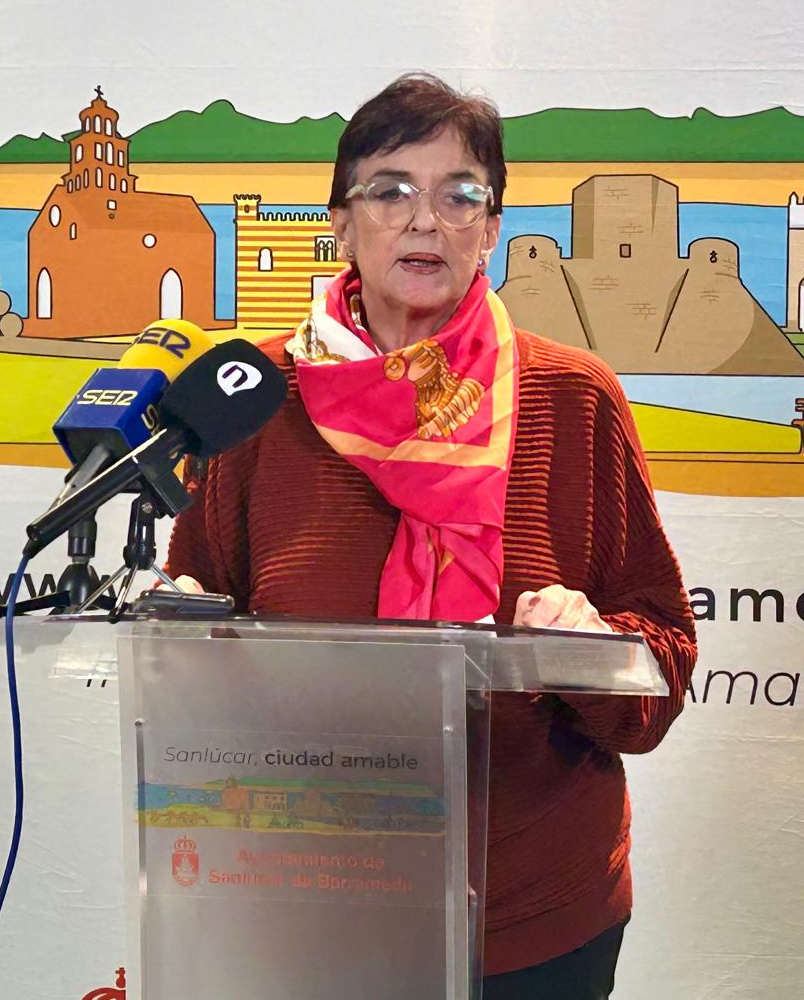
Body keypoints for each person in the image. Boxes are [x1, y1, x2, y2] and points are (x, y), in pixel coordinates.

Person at [166, 73, 698, 999]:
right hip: (306, 903)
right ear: (340, 224)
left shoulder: (573, 399)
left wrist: (593, 650)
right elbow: (188, 645)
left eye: (460, 196)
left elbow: (664, 667)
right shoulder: (255, 401)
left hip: (531, 917)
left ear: (490, 230)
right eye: (390, 191)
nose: (425, 220)